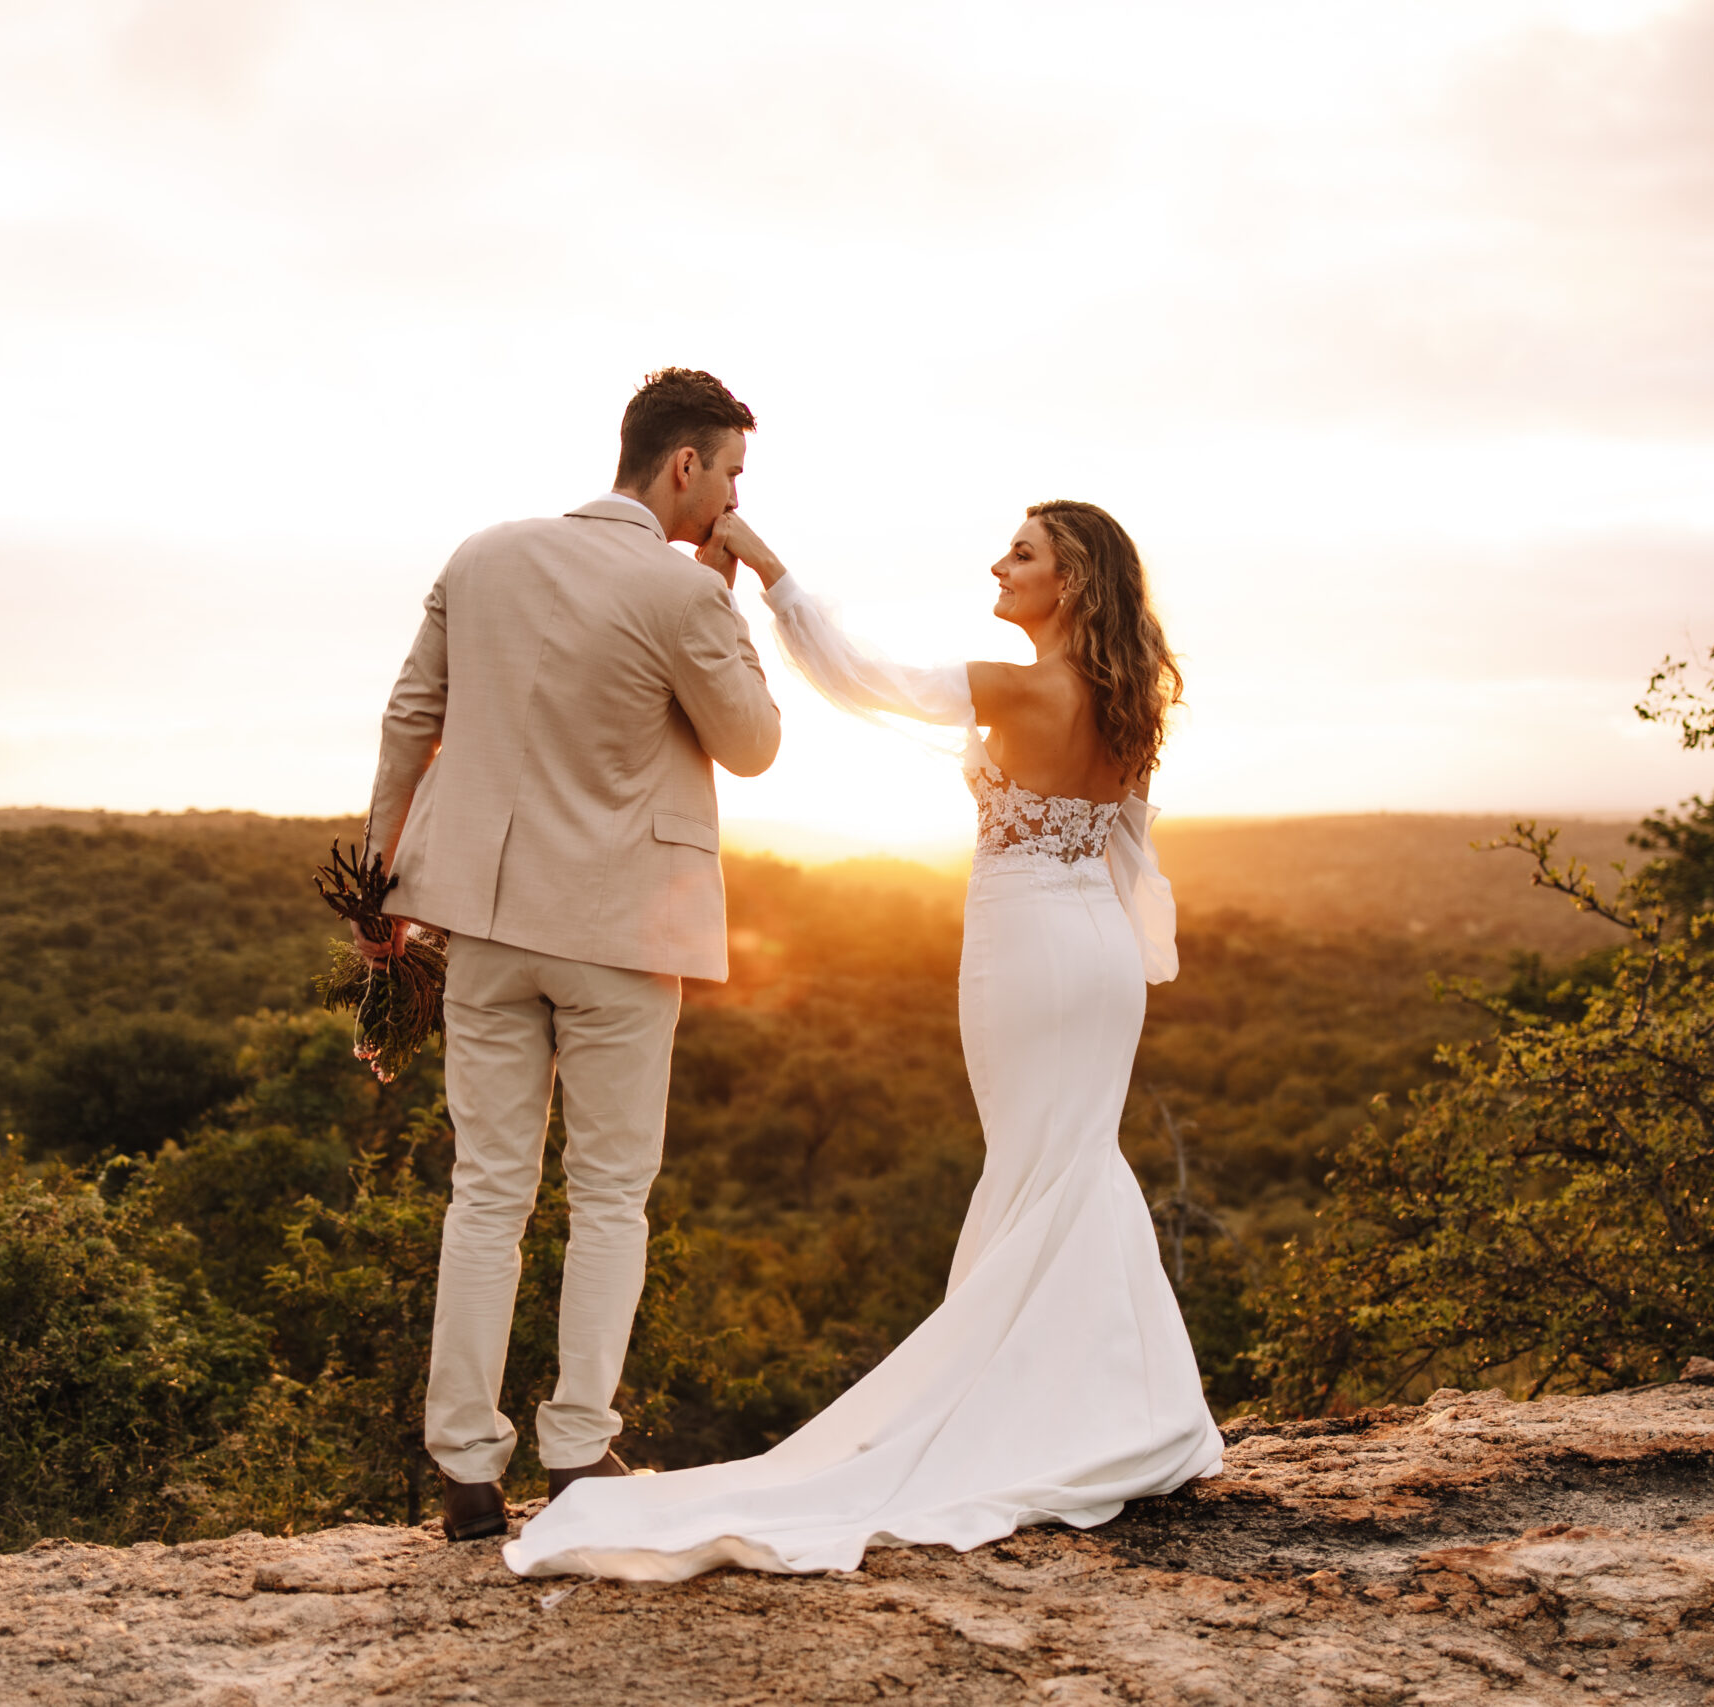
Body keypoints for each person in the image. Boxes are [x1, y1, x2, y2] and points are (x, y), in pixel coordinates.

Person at [503, 498, 1223, 1580]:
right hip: (1099, 964)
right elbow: (1131, 850)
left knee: (1037, 1168)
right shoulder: (1121, 704)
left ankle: (1015, 1411)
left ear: (1069, 581)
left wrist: (765, 565)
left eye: (1021, 552)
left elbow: (858, 677)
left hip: (1025, 952)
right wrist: (1134, 956)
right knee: (1068, 1165)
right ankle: (1122, 1406)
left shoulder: (1019, 685)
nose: (999, 562)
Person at [358, 368, 782, 1542]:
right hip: (619, 928)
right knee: (608, 1196)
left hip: (482, 920)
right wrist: (722, 599)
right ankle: (581, 1451)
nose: (734, 499)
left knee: (485, 1192)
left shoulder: (483, 555)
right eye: (733, 474)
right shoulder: (681, 587)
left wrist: (377, 885)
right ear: (683, 466)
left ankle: (465, 1471)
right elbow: (751, 745)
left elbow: (410, 716)